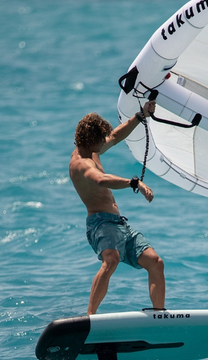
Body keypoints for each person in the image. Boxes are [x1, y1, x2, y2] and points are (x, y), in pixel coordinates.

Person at [69, 101, 165, 315]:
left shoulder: (90, 149)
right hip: (100, 224)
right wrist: (134, 183)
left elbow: (114, 137)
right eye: (99, 141)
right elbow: (101, 180)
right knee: (111, 260)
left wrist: (141, 116)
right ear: (89, 140)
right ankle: (90, 317)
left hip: (119, 223)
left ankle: (159, 316)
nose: (103, 144)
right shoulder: (81, 163)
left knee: (155, 262)